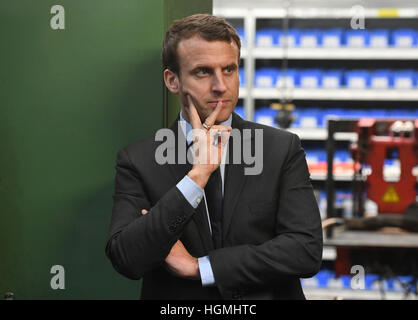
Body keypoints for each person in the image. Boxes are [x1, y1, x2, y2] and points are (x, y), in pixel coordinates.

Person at [105, 13, 323, 300]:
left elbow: (305, 250)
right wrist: (197, 177)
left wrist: (201, 268)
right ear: (173, 81)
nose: (221, 86)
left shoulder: (280, 149)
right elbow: (128, 258)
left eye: (229, 70)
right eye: (203, 72)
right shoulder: (139, 161)